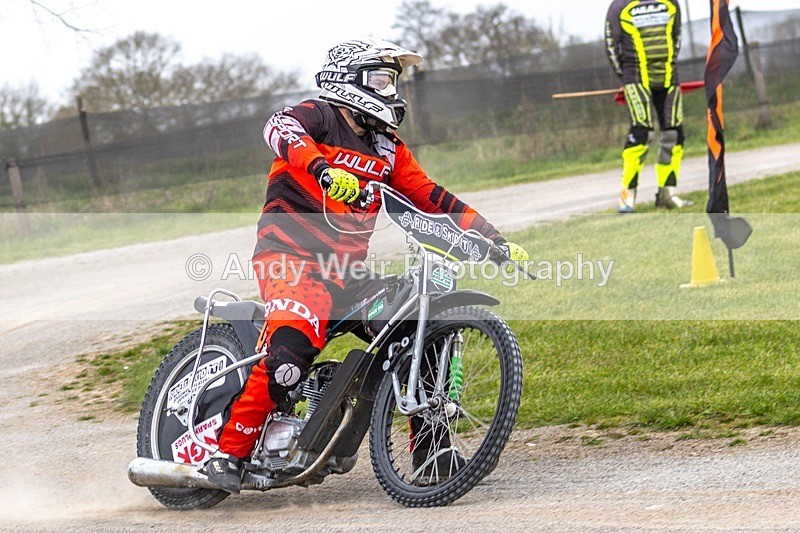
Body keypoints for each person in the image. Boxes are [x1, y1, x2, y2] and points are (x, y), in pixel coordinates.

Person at [204, 38, 529, 493]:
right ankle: (227, 452)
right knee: (295, 343)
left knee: (421, 323)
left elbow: (431, 195)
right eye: (380, 78)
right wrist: (321, 169)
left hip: (346, 275)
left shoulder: (387, 147)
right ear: (348, 79)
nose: (389, 89)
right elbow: (277, 128)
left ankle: (431, 450)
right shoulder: (318, 116)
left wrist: (493, 238)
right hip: (290, 259)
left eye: (391, 81)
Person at [605, 0, 693, 213]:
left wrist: (668, 66)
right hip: (635, 78)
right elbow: (610, 46)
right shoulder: (619, 6)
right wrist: (625, 76)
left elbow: (676, 38)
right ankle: (628, 196)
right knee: (641, 132)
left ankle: (667, 193)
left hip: (668, 78)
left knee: (674, 133)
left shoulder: (672, 3)